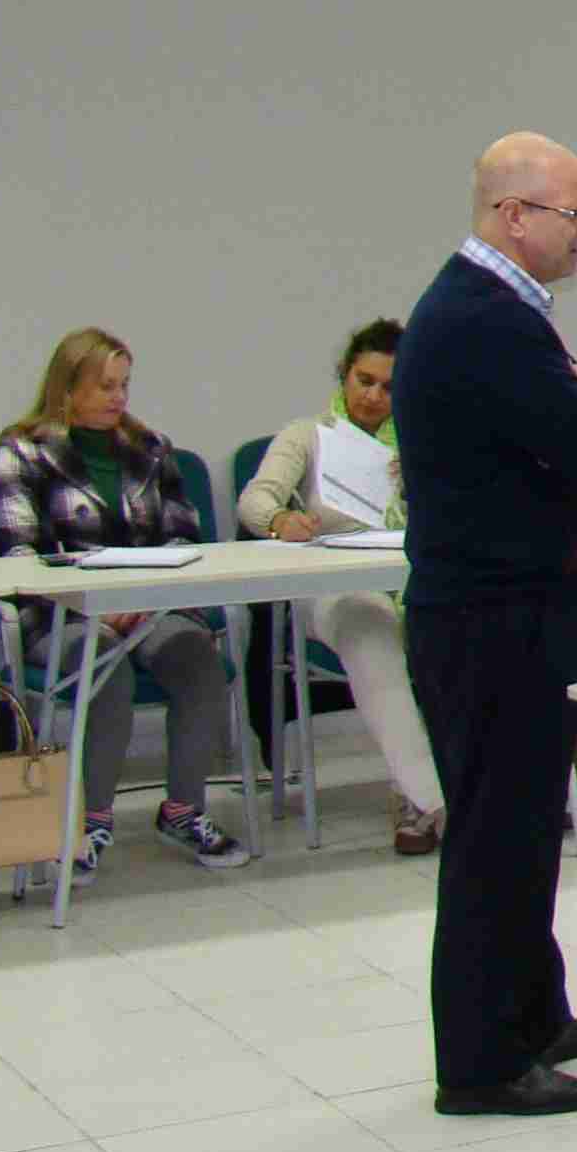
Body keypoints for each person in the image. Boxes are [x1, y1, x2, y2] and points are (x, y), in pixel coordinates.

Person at [395, 132, 577, 1116]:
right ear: (514, 215)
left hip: (508, 608)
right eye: (574, 214)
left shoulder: (497, 310)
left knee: (530, 823)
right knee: (497, 835)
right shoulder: (485, 319)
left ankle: (533, 1011)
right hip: (492, 617)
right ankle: (483, 1062)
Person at [0, 327, 252, 872]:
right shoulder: (22, 450)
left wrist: (144, 597)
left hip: (148, 607)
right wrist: (93, 603)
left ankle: (182, 811)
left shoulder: (150, 448)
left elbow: (183, 538)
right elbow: (13, 552)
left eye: (124, 385)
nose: (119, 398)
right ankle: (92, 822)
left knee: (199, 662)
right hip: (59, 613)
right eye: (105, 386)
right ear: (67, 388)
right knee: (107, 672)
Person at [241, 318, 446, 855]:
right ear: (344, 375)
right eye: (364, 381)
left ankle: (482, 790)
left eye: (389, 387)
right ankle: (429, 799)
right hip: (337, 587)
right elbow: (255, 501)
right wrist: (280, 521)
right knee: (371, 632)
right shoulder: (307, 434)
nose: (374, 396)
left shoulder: (426, 438)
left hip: (415, 582)